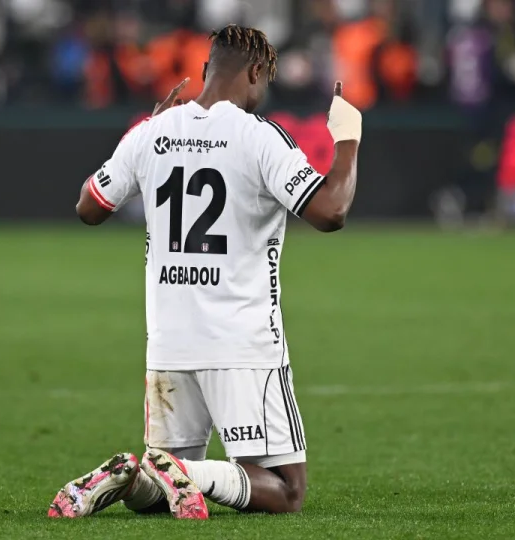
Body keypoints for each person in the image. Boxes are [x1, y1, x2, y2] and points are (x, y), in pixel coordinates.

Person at [48, 24, 362, 519]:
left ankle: (135, 475)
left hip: (168, 344)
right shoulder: (258, 136)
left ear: (204, 70)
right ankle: (185, 471)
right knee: (286, 490)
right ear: (255, 73)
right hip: (241, 344)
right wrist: (347, 138)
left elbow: (89, 206)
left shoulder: (152, 132)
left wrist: (140, 133)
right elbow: (331, 211)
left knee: (162, 493)